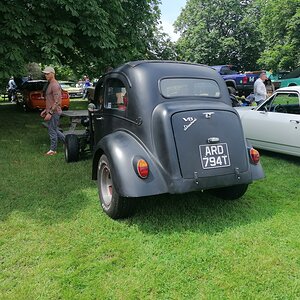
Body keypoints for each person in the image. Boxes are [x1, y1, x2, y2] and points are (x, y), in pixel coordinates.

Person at [40, 66, 65, 156]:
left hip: (54, 112)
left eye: (47, 73)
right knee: (54, 129)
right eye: (45, 73)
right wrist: (45, 110)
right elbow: (50, 100)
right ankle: (67, 142)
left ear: (53, 74)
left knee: (52, 130)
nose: (45, 75)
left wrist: (50, 112)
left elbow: (57, 101)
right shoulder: (50, 83)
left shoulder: (54, 85)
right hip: (51, 110)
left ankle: (53, 150)